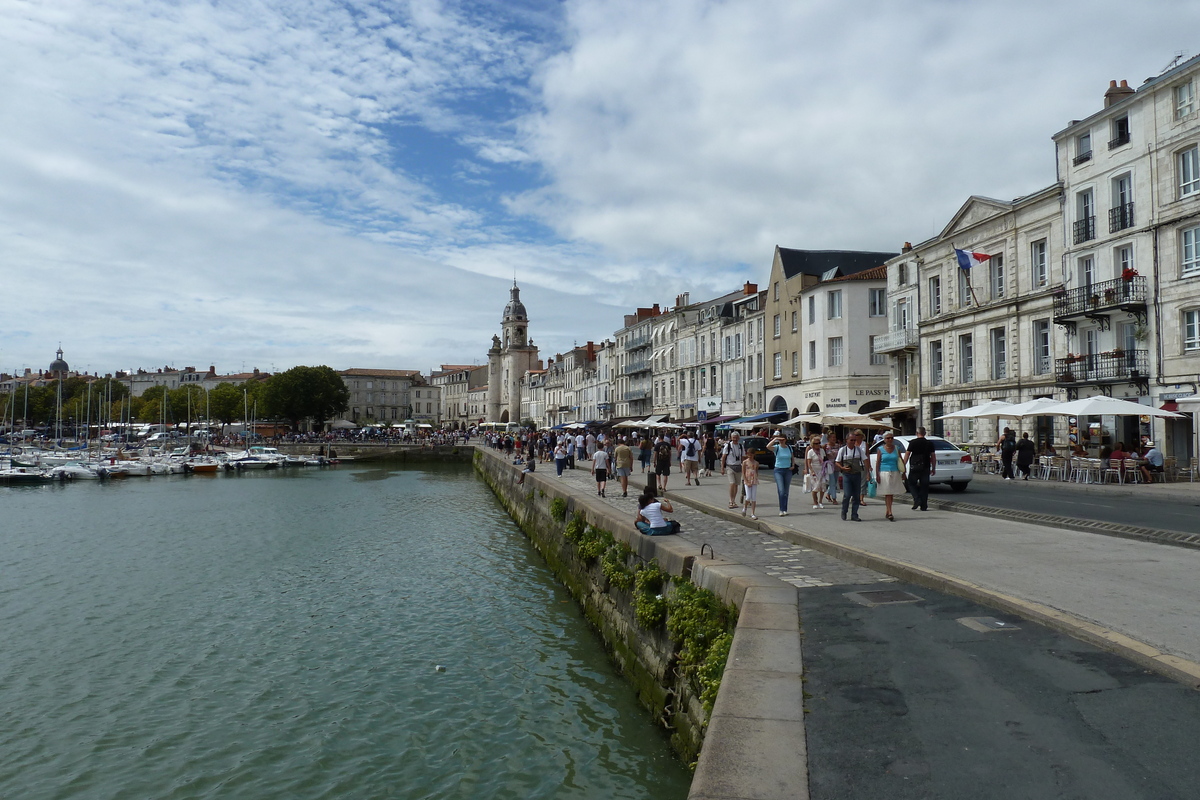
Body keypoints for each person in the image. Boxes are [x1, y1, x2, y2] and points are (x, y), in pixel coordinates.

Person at [835, 430, 869, 521]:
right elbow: (837, 462)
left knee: (856, 496)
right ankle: (844, 511)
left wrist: (868, 472)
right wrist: (842, 468)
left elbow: (865, 460)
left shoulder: (859, 450)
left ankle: (854, 514)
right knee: (847, 494)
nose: (853, 442)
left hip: (857, 474)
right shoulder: (842, 450)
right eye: (852, 440)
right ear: (847, 440)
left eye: (854, 440)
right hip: (847, 475)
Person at [872, 431, 906, 521]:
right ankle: (890, 511)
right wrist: (877, 474)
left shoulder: (896, 448)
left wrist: (904, 472)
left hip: (895, 472)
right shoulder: (880, 449)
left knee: (891, 493)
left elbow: (900, 460)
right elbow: (878, 462)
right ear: (884, 439)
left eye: (891, 438)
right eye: (888, 438)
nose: (890, 440)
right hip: (884, 473)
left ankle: (888, 510)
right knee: (888, 493)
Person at [904, 427, 936, 511]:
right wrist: (933, 468)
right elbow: (933, 456)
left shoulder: (913, 442)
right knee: (924, 486)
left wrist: (903, 464)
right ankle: (924, 505)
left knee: (911, 483)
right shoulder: (929, 443)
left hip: (915, 466)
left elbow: (907, 454)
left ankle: (917, 499)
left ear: (916, 433)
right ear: (925, 433)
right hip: (925, 467)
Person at [768, 430, 796, 517]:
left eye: (783, 439)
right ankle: (781, 509)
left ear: (786, 440)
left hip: (787, 470)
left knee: (786, 492)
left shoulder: (789, 447)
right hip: (778, 470)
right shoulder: (777, 447)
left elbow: (792, 457)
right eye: (780, 440)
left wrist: (793, 465)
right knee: (781, 490)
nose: (781, 441)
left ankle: (785, 509)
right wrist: (775, 438)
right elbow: (768, 446)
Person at [720, 432, 745, 508]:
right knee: (732, 483)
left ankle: (734, 500)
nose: (735, 439)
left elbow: (743, 457)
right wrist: (722, 468)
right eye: (734, 437)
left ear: (739, 438)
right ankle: (731, 500)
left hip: (738, 467)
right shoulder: (727, 446)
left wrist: (744, 467)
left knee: (736, 485)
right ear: (731, 438)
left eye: (736, 437)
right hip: (730, 466)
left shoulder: (741, 446)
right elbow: (724, 457)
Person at [804, 434, 826, 509]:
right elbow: (809, 463)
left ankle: (820, 501)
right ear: (812, 444)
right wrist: (811, 471)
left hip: (821, 470)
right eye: (816, 443)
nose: (818, 445)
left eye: (819, 443)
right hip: (814, 470)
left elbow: (824, 459)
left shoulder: (822, 451)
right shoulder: (810, 452)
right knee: (816, 487)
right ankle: (815, 502)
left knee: (823, 486)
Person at [822, 431, 841, 505]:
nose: (834, 439)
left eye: (835, 437)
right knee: (832, 482)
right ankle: (834, 498)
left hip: (836, 465)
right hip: (829, 466)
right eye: (832, 437)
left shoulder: (838, 446)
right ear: (828, 438)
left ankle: (828, 493)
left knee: (835, 481)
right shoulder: (825, 446)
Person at [741, 448, 760, 520]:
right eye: (748, 455)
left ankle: (753, 513)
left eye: (751, 455)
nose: (750, 456)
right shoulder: (745, 462)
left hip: (754, 480)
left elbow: (756, 471)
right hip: (747, 480)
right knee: (748, 497)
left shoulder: (756, 463)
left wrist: (756, 478)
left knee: (754, 497)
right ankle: (744, 508)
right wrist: (746, 481)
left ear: (754, 455)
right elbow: (743, 472)